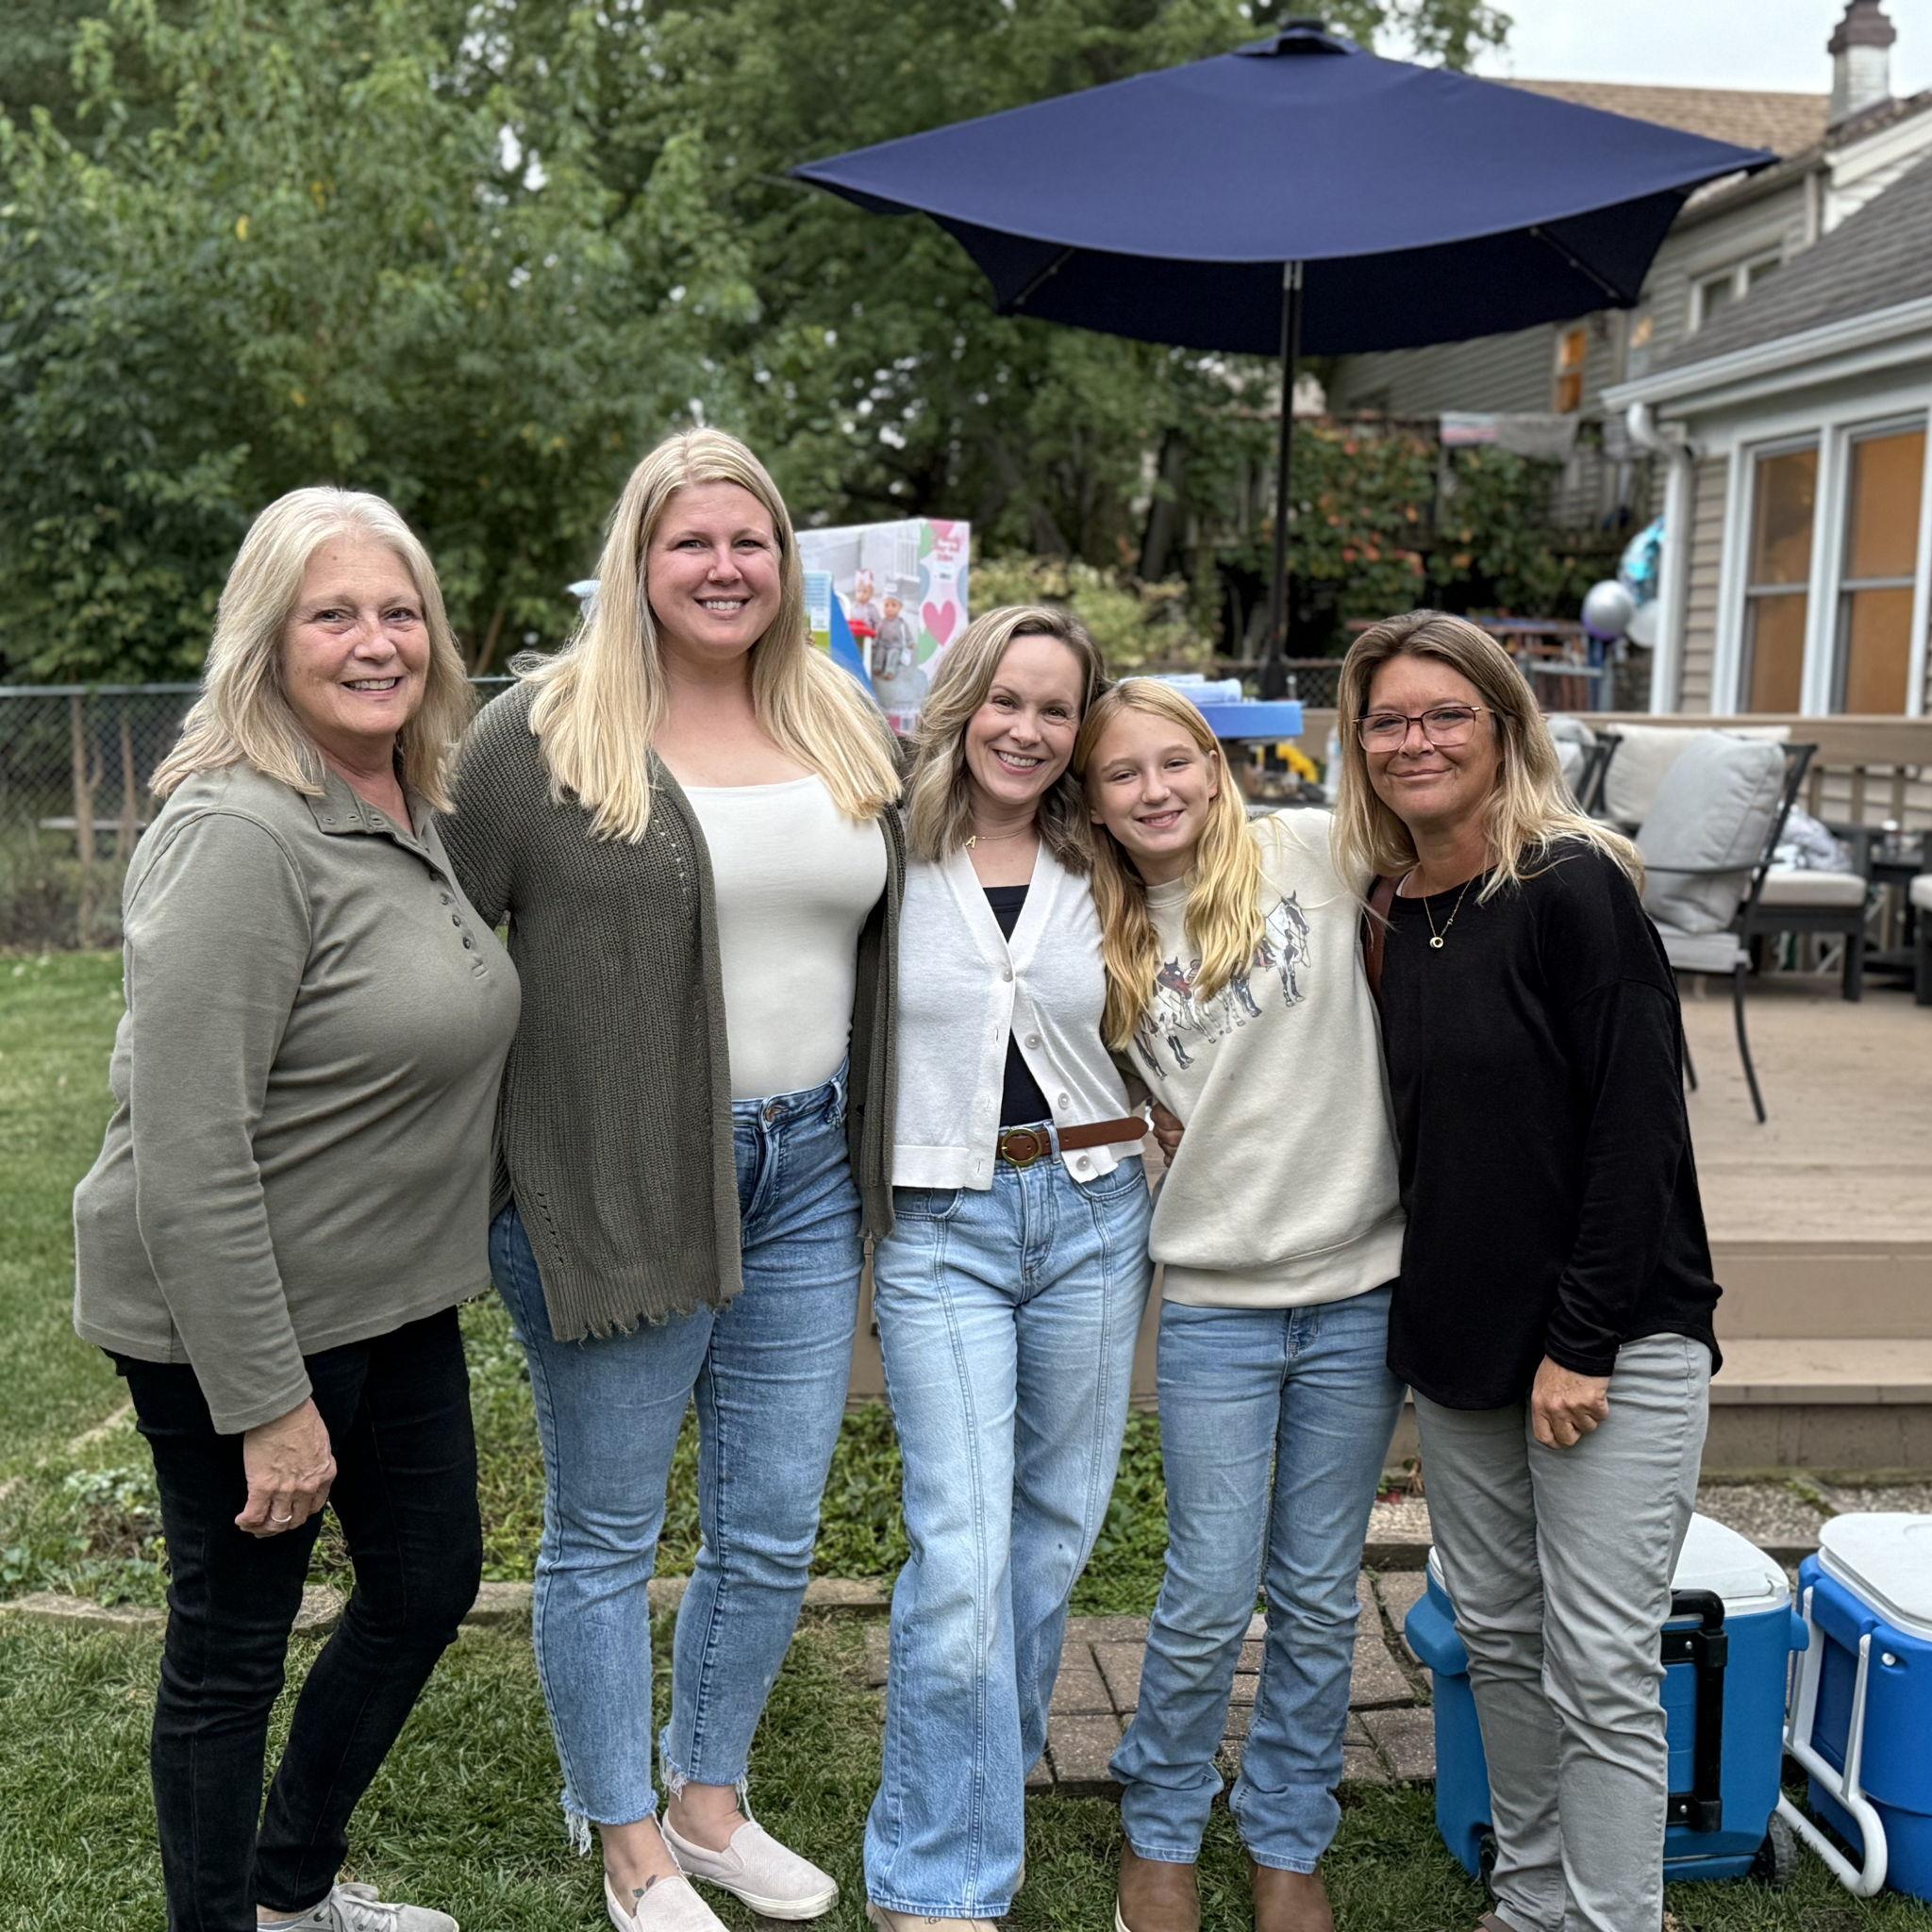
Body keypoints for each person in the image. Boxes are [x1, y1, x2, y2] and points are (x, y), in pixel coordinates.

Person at [439, 427, 904, 1932]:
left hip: (811, 1167)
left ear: (787, 564)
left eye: (751, 542)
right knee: (606, 1533)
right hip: (615, 1179)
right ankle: (627, 1841)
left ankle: (709, 1802)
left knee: (772, 1521)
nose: (724, 568)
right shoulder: (541, 735)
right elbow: (423, 933)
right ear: (639, 559)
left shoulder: (841, 717)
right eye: (691, 542)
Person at [72, 488, 518, 1932]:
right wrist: (263, 1398)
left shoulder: (401, 794)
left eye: (399, 612)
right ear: (269, 640)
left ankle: (286, 1889)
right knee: (230, 1648)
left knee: (427, 1581)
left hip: (387, 1297)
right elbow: (190, 1152)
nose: (375, 642)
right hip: (239, 1312)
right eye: (334, 614)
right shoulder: (237, 833)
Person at [1332, 610, 1721, 1932]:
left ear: (1506, 732)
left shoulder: (1570, 888)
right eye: (1388, 719)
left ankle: (1617, 1918)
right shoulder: (1388, 907)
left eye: (1447, 715)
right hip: (1458, 1341)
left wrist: (1585, 1338)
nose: (1416, 741)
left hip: (1611, 1337)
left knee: (1600, 1661)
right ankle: (1534, 1899)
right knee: (1498, 1640)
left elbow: (1637, 1134)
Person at [1074, 680, 1407, 1932]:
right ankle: (1160, 1826)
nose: (1156, 790)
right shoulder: (1092, 931)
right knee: (1210, 1583)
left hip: (1358, 1289)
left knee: (1320, 1588)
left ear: (1219, 767)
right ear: (1093, 802)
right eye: (1123, 774)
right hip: (1214, 1297)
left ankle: (1288, 1838)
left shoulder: (1311, 848)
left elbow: (1469, 833)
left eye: (1179, 762)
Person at [863, 607, 1154, 1932]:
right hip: (944, 1229)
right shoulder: (880, 845)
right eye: (1008, 700)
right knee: (964, 1559)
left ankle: (979, 1789)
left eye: (1056, 710)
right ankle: (941, 1883)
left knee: (1046, 1551)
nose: (1027, 731)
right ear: (962, 700)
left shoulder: (1107, 862)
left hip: (1097, 1214)